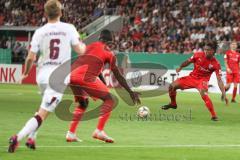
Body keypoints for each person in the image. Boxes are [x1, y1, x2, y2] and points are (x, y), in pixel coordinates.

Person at [8, 0, 86, 153]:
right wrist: (84, 45)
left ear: (45, 14)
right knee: (43, 113)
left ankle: (32, 138)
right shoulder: (69, 28)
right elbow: (80, 50)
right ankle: (18, 137)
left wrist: (25, 73)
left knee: (43, 108)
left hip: (42, 76)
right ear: (61, 13)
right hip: (58, 77)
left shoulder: (40, 31)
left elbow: (30, 58)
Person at [65, 29, 141, 143]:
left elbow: (92, 64)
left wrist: (101, 80)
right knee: (110, 99)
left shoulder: (89, 46)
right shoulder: (108, 53)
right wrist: (130, 92)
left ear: (99, 39)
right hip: (85, 77)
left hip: (72, 76)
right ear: (110, 42)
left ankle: (71, 134)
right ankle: (99, 131)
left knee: (83, 103)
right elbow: (119, 76)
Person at [161, 41, 227, 121]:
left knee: (204, 94)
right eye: (205, 49)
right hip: (191, 78)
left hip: (202, 80)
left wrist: (223, 92)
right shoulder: (198, 55)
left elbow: (219, 80)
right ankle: (173, 104)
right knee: (172, 86)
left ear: (213, 51)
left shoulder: (216, 64)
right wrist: (181, 67)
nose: (205, 51)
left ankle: (214, 116)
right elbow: (188, 62)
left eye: (208, 50)